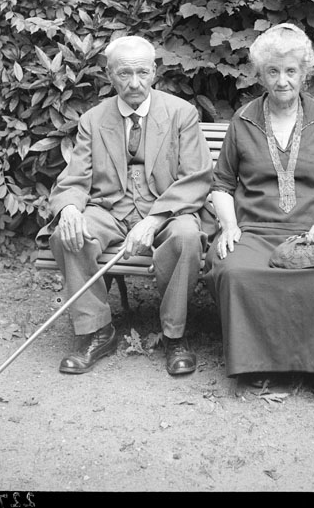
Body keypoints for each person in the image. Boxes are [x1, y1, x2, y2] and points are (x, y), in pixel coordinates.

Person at [203, 23, 314, 382]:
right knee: (235, 271)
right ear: (261, 75)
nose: (282, 80)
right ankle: (259, 365)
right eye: (273, 71)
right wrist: (229, 225)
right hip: (254, 228)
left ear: (304, 74)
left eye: (290, 71)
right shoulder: (243, 120)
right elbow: (221, 184)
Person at [37, 35, 215, 376]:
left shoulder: (181, 113)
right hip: (110, 209)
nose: (134, 83)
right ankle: (98, 331)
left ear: (155, 72)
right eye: (124, 74)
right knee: (68, 233)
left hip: (167, 210)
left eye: (142, 73)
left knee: (187, 237)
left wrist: (154, 219)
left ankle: (174, 335)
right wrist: (71, 209)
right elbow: (75, 177)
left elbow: (196, 178)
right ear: (109, 74)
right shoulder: (93, 119)